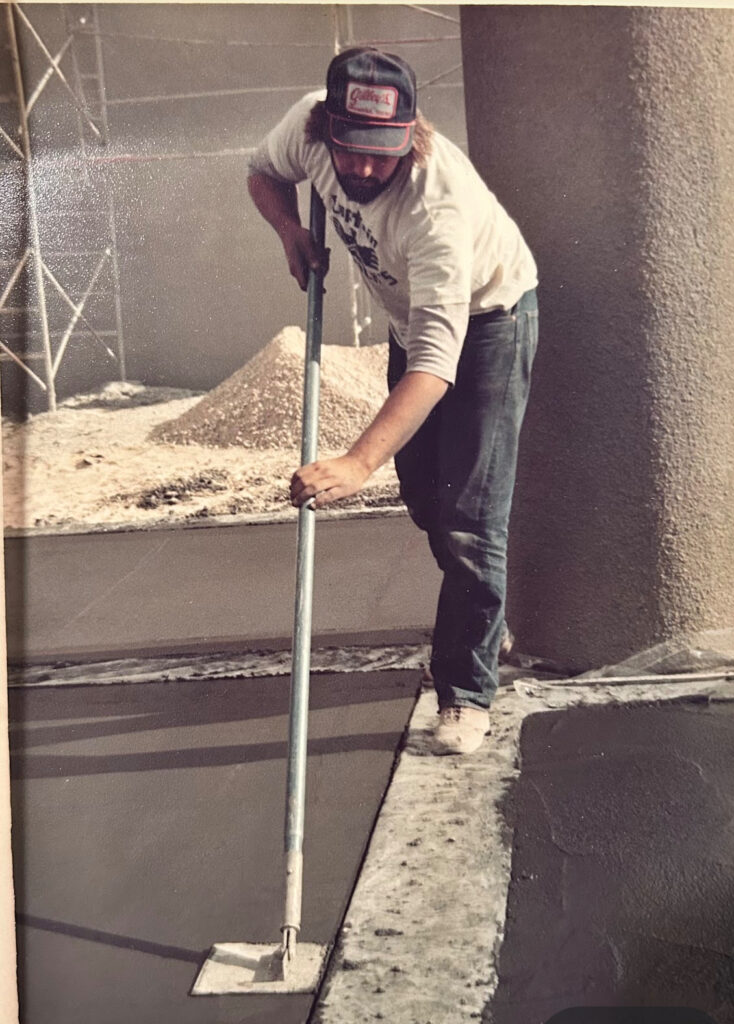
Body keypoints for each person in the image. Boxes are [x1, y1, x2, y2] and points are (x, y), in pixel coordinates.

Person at [247, 48, 538, 755]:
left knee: (470, 521)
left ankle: (465, 692)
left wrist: (356, 461)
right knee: (430, 503)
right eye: (355, 152)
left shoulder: (437, 207)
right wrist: (290, 230)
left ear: (412, 133)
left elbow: (438, 367)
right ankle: (483, 609)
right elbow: (261, 174)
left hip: (489, 321)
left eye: (387, 153)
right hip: (415, 324)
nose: (369, 169)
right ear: (326, 130)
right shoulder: (305, 129)